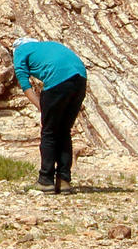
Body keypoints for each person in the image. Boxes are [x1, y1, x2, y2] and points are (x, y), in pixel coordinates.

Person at [12, 37, 87, 193]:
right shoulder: (48, 45)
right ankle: (64, 180)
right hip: (80, 79)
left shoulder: (20, 51)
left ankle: (45, 180)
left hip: (58, 80)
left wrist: (41, 106)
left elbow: (25, 84)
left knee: (49, 132)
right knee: (64, 131)